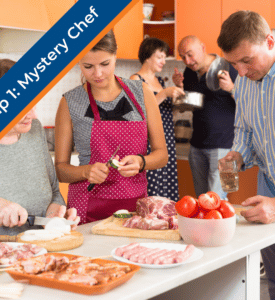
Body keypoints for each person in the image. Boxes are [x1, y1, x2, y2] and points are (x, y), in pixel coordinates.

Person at [55, 30, 168, 224]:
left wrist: (141, 162)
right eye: (88, 66)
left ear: (115, 55)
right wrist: (85, 171)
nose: (97, 74)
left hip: (135, 206)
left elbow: (162, 155)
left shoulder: (142, 93)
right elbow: (61, 170)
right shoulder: (70, 102)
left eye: (105, 64)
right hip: (86, 207)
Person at [0, 58, 79, 245]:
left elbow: (55, 192)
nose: (33, 114)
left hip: (39, 251)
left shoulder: (34, 129)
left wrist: (54, 216)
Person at [217, 10, 275, 299]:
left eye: (247, 60)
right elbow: (245, 129)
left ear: (270, 41)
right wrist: (237, 155)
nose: (240, 71)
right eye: (233, 63)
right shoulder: (243, 82)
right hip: (268, 184)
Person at [172, 35, 238, 199]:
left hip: (226, 147)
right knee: (202, 200)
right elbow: (188, 106)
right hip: (196, 147)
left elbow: (249, 102)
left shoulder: (230, 67)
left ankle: (224, 224)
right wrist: (180, 88)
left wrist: (231, 88)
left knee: (219, 198)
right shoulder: (189, 72)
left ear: (202, 47)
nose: (187, 61)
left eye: (190, 54)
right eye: (183, 57)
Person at [130, 37, 184, 202]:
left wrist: (179, 88)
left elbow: (172, 111)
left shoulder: (161, 81)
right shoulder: (135, 80)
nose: (163, 61)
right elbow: (137, 114)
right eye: (159, 57)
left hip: (166, 139)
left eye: (164, 57)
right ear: (147, 56)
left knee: (166, 186)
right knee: (151, 186)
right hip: (147, 142)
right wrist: (164, 94)